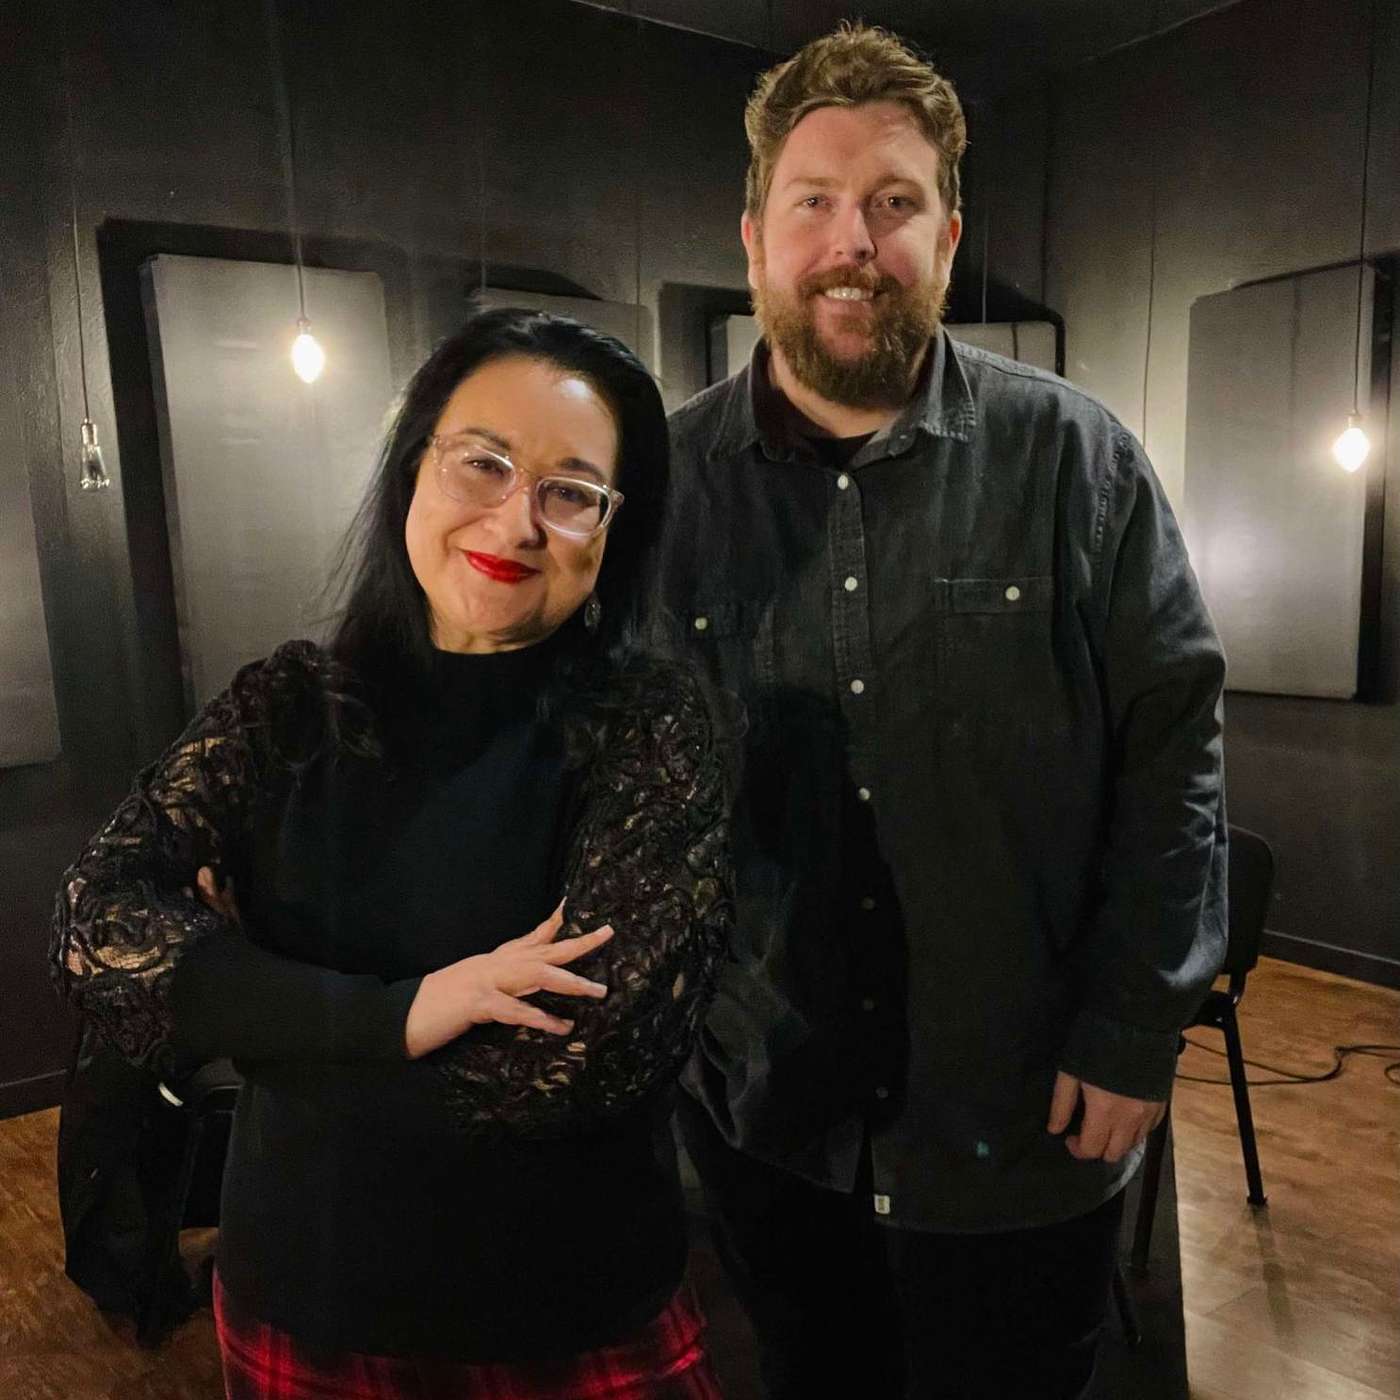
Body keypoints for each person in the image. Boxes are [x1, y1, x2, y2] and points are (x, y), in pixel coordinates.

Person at [653, 23, 1227, 1400]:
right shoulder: (662, 488)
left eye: (893, 202)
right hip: (767, 1122)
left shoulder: (1078, 461)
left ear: (947, 238)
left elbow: (1174, 756)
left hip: (1024, 1120)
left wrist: (1133, 1026)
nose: (851, 241)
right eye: (814, 201)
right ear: (755, 239)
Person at [52, 308, 731, 1399]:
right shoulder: (286, 703)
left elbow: (579, 1066)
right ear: (413, 468)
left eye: (569, 491)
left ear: (614, 530)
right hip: (308, 1290)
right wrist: (401, 1014)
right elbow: (98, 923)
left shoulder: (649, 725)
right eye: (483, 463)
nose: (515, 520)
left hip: (572, 1302)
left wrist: (245, 1005)